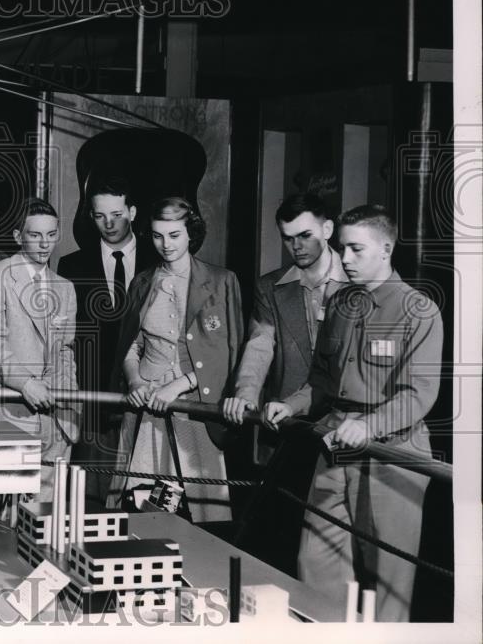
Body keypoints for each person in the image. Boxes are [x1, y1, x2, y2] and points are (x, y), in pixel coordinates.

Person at [264, 205, 442, 622]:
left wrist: (370, 425)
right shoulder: (341, 302)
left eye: (355, 249)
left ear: (385, 248)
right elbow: (322, 380)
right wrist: (289, 404)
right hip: (335, 445)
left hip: (392, 454)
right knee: (317, 565)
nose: (344, 259)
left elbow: (418, 394)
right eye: (342, 248)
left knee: (388, 582)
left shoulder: (418, 311)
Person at [221, 193, 348, 572]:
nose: (298, 246)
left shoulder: (359, 280)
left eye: (306, 235)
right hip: (292, 424)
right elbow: (260, 345)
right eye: (289, 237)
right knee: (281, 534)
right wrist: (244, 395)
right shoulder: (271, 287)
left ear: (328, 229)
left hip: (345, 424)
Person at [107, 197, 243, 522]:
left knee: (201, 512)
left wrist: (179, 386)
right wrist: (136, 380)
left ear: (190, 233)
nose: (165, 245)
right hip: (146, 409)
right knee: (138, 507)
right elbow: (130, 345)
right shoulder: (142, 282)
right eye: (157, 236)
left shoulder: (222, 281)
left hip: (194, 409)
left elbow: (230, 351)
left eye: (174, 235)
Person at [0, 198, 81, 502]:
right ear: (19, 236)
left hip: (60, 420)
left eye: (51, 234)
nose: (44, 243)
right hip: (14, 413)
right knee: (7, 519)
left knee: (50, 517)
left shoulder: (65, 287)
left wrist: (69, 402)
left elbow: (66, 351)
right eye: (35, 235)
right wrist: (26, 383)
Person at [58, 177, 156, 496]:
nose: (109, 223)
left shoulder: (157, 262)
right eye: (100, 216)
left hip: (146, 396)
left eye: (116, 214)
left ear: (133, 211)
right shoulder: (71, 265)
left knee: (141, 494)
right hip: (92, 402)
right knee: (88, 497)